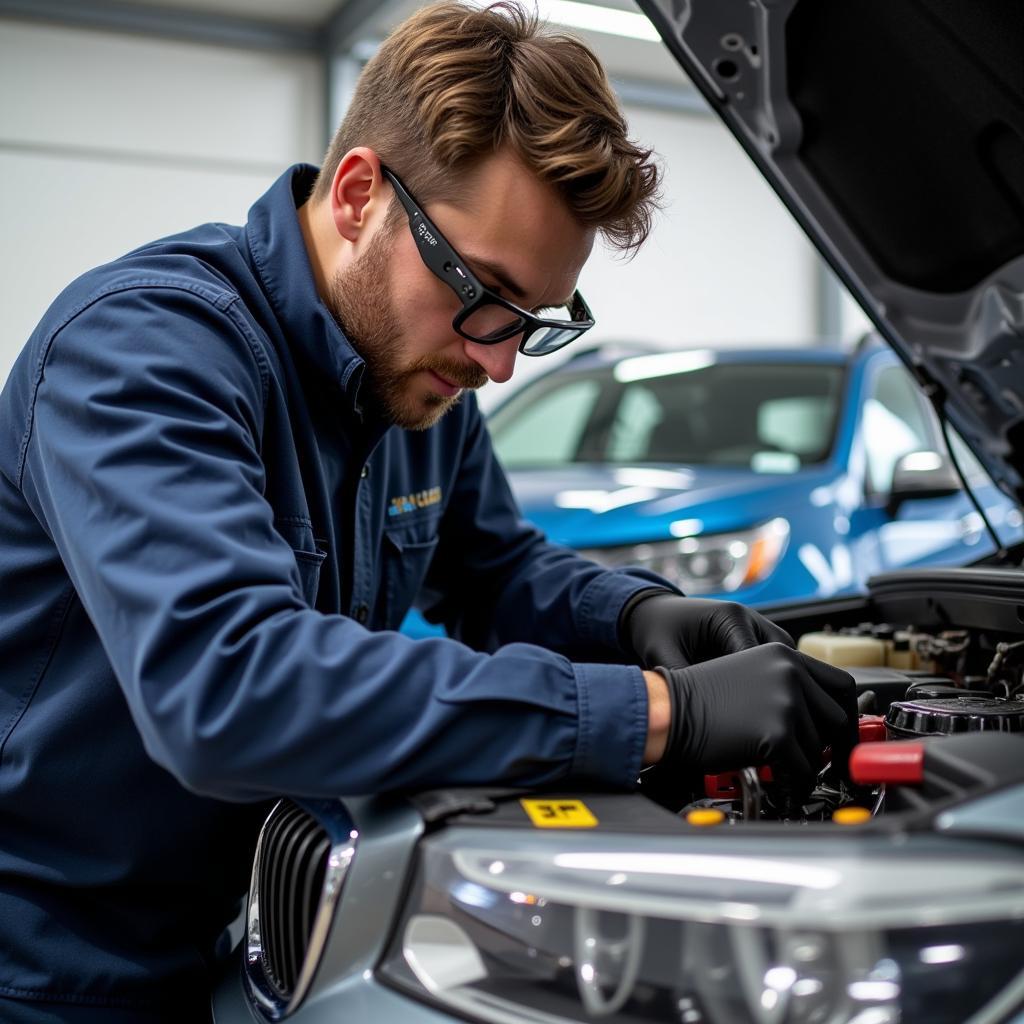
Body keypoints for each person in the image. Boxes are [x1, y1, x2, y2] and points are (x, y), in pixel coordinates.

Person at [0, 2, 856, 1020]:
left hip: (229, 926)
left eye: (531, 320)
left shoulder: (411, 371)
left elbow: (497, 569)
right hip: (38, 960)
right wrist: (659, 713)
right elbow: (228, 689)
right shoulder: (143, 352)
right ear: (359, 192)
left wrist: (636, 618)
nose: (495, 360)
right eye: (482, 289)